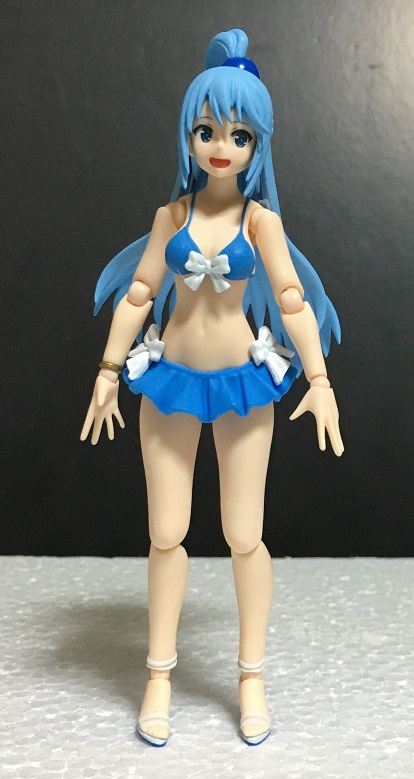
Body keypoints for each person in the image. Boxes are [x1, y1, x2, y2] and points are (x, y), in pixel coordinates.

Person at [81, 28, 344, 747]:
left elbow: (291, 301)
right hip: (169, 381)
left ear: (258, 144)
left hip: (243, 387)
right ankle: (159, 674)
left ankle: (250, 676)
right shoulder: (171, 216)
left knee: (244, 534)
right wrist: (107, 372)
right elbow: (139, 294)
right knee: (166, 533)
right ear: (189, 136)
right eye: (207, 131)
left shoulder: (261, 221)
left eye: (239, 134)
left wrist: (319, 378)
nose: (221, 146)